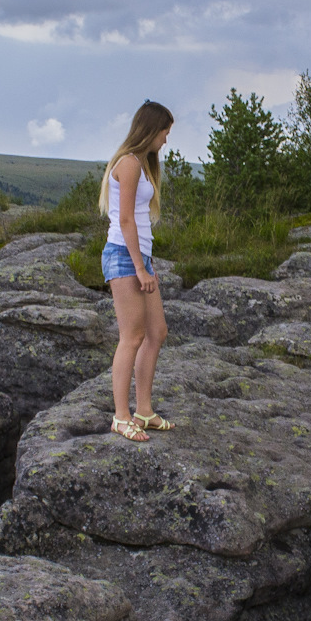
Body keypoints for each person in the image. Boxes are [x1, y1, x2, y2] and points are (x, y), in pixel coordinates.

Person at [103, 101, 176, 441]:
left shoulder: (144, 164)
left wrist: (147, 264)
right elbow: (125, 219)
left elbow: (139, 218)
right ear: (151, 129)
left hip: (140, 257)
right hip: (123, 256)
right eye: (164, 132)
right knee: (131, 337)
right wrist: (138, 267)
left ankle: (143, 411)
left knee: (156, 332)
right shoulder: (129, 163)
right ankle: (121, 416)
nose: (165, 139)